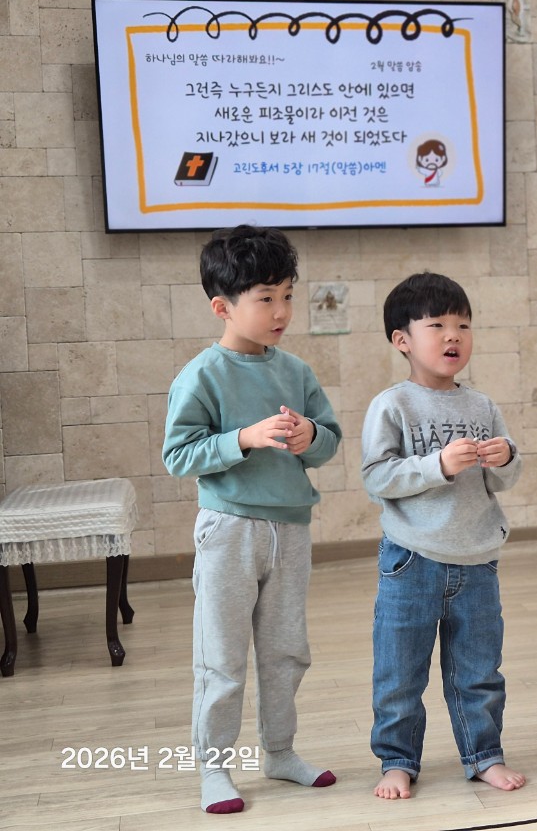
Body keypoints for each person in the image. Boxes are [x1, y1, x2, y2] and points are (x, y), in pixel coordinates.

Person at [162, 225, 342, 814]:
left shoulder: (297, 372)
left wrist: (311, 435)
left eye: (287, 295)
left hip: (291, 530)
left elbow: (328, 440)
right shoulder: (201, 375)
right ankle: (214, 767)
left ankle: (280, 752)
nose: (281, 310)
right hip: (229, 531)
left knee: (287, 651)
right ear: (223, 307)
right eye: (266, 298)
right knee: (222, 657)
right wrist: (243, 438)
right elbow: (178, 456)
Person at [362, 271, 525, 799]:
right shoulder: (393, 405)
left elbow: (503, 480)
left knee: (479, 671)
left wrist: (506, 457)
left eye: (463, 325)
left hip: (478, 559)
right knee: (400, 672)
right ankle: (397, 760)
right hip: (412, 558)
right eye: (437, 325)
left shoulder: (482, 407)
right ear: (402, 340)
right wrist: (438, 465)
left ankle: (484, 755)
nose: (453, 335)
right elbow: (377, 477)